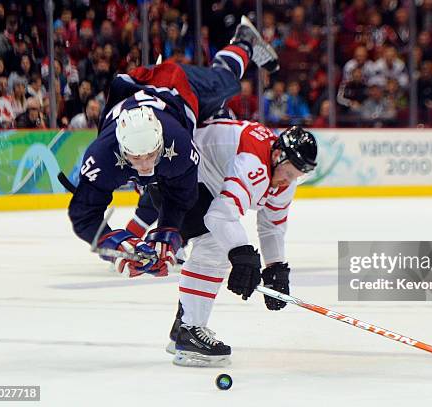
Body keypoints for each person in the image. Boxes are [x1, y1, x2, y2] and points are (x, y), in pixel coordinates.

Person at [67, 16, 280, 279]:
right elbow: (84, 214)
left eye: (151, 155)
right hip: (157, 100)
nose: (145, 164)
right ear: (121, 149)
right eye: (136, 157)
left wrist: (169, 235)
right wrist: (114, 245)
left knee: (225, 82)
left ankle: (244, 40)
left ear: (161, 142)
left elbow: (180, 198)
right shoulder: (101, 155)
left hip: (181, 88)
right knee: (157, 185)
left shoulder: (178, 145)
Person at [124, 121, 317, 367]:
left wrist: (275, 268)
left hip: (200, 178)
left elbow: (271, 226)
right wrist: (242, 255)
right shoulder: (254, 163)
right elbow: (219, 215)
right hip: (177, 177)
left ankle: (184, 328)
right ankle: (189, 332)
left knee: (216, 243)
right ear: (278, 155)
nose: (288, 182)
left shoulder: (280, 174)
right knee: (214, 243)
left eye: (297, 178)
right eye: (289, 174)